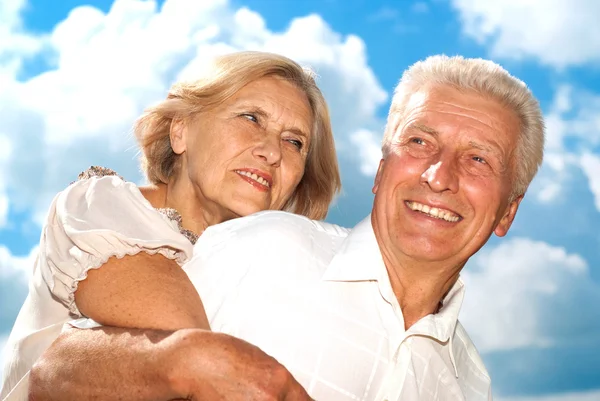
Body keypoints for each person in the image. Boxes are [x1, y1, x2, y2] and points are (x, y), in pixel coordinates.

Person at [30, 54, 543, 401]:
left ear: (508, 213)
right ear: (382, 168)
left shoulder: (470, 380)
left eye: (478, 159)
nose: (440, 176)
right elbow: (51, 372)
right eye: (419, 143)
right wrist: (191, 358)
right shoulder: (260, 248)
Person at [0, 51, 341, 400]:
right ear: (180, 130)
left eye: (294, 141)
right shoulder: (100, 207)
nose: (272, 151)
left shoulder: (279, 276)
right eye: (251, 118)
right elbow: (214, 368)